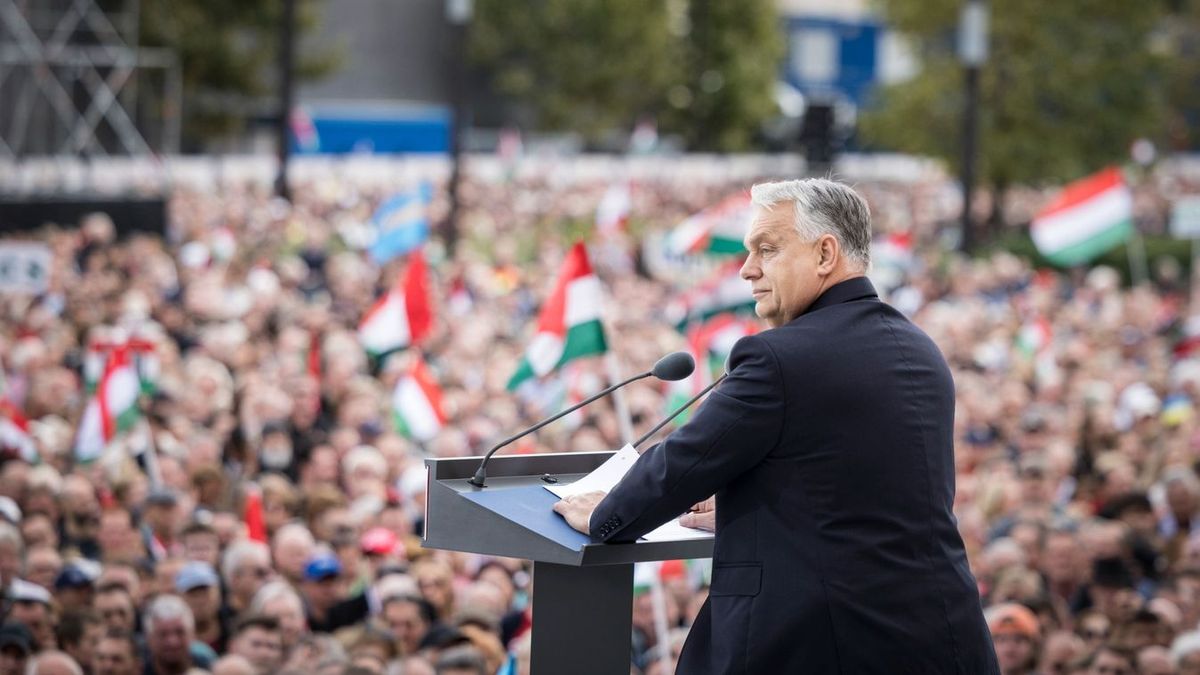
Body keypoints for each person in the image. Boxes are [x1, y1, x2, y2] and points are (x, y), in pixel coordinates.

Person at [554, 178, 999, 673]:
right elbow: (870, 495)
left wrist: (603, 514)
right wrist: (758, 515)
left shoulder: (777, 358)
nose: (747, 270)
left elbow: (682, 464)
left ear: (825, 253)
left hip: (820, 645)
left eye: (766, 249)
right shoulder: (920, 349)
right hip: (939, 636)